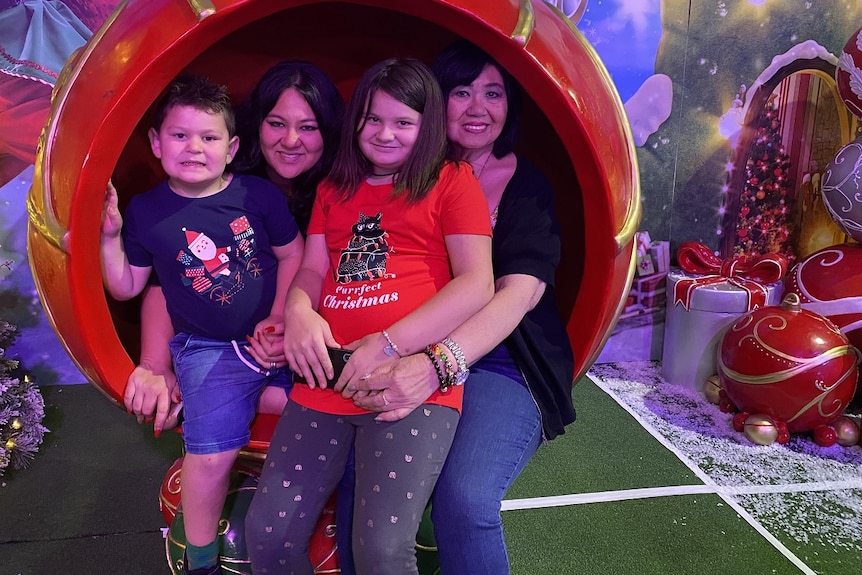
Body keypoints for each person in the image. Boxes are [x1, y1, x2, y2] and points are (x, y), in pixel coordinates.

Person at [245, 57, 494, 574]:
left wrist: (388, 343)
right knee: (267, 535)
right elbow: (313, 268)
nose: (384, 134)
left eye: (403, 122)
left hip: (408, 382)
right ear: (355, 119)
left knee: (381, 549)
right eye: (372, 119)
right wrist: (297, 310)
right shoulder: (334, 189)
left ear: (426, 127)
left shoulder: (452, 181)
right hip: (324, 377)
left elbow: (477, 284)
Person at [347, 40, 577, 575]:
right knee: (358, 483)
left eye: (493, 93)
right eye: (462, 92)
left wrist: (434, 365)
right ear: (433, 101)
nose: (478, 107)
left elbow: (518, 295)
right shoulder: (400, 172)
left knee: (465, 499)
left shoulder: (525, 187)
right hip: (405, 345)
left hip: (502, 360)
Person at [100, 75, 304, 575]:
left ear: (232, 148)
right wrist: (109, 237)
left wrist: (281, 318)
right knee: (210, 456)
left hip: (276, 341)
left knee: (315, 409)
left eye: (209, 138)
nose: (195, 148)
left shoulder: (257, 196)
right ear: (155, 143)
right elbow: (128, 286)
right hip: (208, 348)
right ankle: (202, 561)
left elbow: (294, 254)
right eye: (179, 136)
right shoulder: (147, 211)